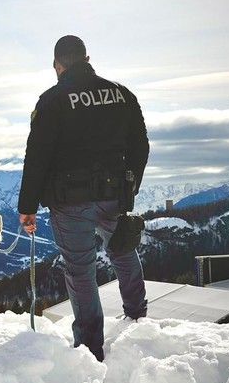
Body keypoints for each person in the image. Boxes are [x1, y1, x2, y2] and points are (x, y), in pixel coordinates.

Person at [17, 35, 149, 361]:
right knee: (122, 247)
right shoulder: (121, 94)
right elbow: (141, 146)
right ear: (87, 58)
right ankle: (137, 314)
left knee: (80, 270)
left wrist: (27, 208)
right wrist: (130, 185)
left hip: (70, 200)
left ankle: (91, 345)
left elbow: (37, 158)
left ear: (57, 65)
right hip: (114, 193)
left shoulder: (52, 100)